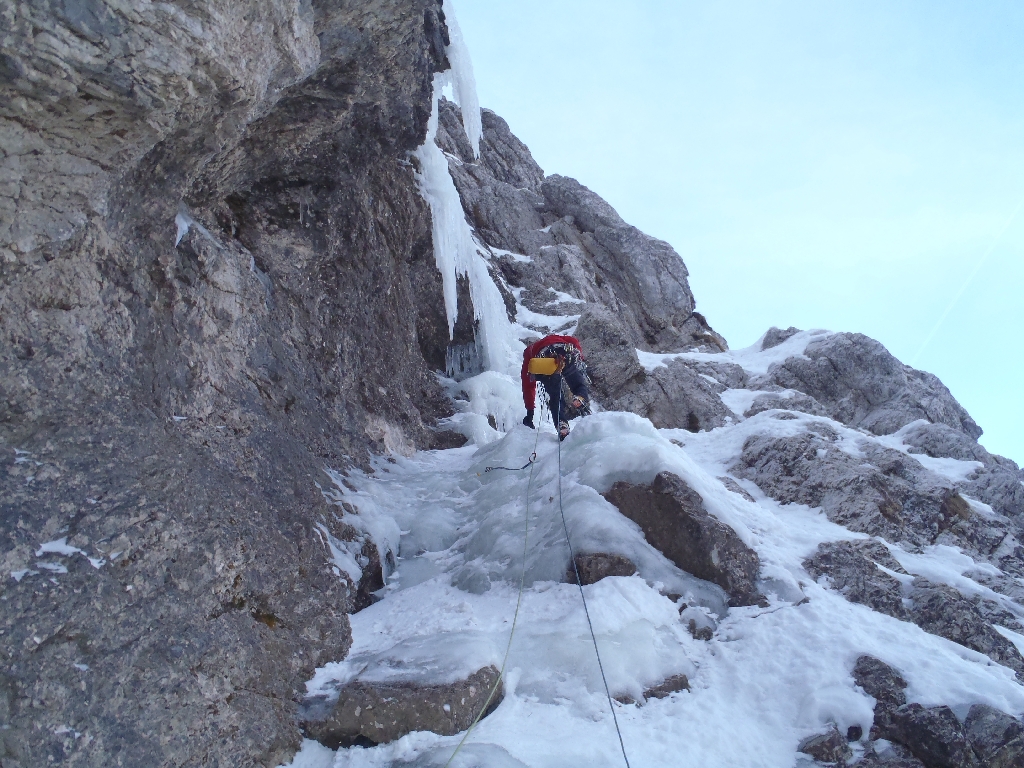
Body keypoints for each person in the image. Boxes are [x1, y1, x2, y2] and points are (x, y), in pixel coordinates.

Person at [521, 334, 591, 440]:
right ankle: (580, 397)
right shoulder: (554, 337)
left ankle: (562, 424)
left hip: (544, 361)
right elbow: (573, 340)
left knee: (555, 396)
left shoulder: (530, 352)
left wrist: (530, 413)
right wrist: (580, 355)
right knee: (578, 384)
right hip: (564, 354)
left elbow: (528, 385)